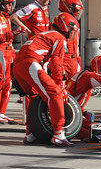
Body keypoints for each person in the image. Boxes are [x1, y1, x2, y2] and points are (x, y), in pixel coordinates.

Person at [13, 12, 79, 147]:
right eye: (72, 30)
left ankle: (31, 133)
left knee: (33, 97)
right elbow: (56, 64)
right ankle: (59, 134)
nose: (72, 34)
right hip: (30, 62)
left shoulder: (45, 34)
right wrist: (60, 85)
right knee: (54, 93)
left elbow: (42, 61)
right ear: (67, 27)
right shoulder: (59, 38)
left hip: (17, 66)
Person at [58, 0, 84, 80]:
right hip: (65, 58)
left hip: (74, 58)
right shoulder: (63, 18)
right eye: (77, 9)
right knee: (62, 87)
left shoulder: (72, 20)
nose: (79, 12)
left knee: (77, 86)